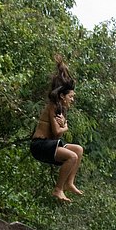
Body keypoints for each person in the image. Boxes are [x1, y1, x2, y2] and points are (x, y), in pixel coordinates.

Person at [31, 56, 84, 203]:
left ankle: (69, 183)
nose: (72, 100)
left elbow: (56, 134)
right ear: (62, 96)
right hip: (39, 145)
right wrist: (65, 127)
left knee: (78, 150)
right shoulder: (53, 105)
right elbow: (57, 133)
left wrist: (63, 125)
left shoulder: (60, 108)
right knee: (71, 157)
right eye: (71, 97)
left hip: (48, 144)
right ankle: (58, 189)